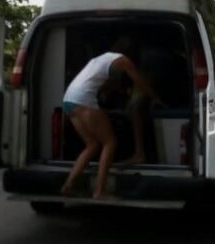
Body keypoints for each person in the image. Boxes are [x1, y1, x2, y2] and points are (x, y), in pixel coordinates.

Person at [60, 37, 162, 200]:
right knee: (110, 142)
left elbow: (105, 83)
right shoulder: (123, 60)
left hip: (68, 101)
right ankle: (100, 192)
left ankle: (68, 185)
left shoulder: (100, 59)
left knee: (92, 145)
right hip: (83, 100)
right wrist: (155, 97)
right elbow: (140, 82)